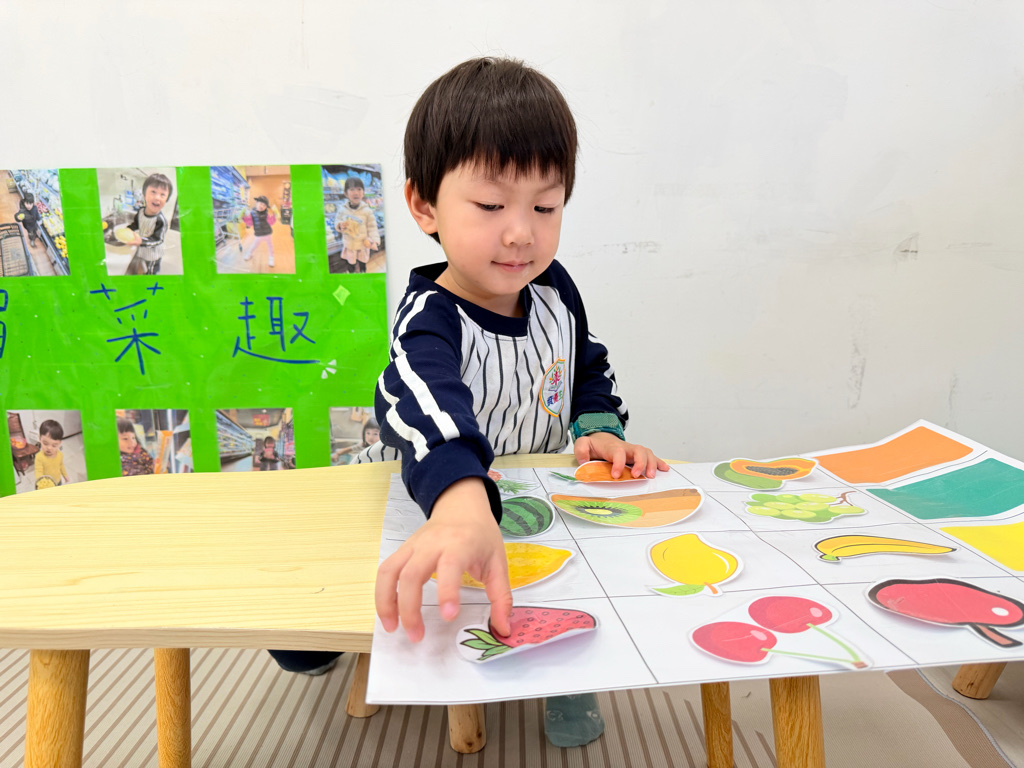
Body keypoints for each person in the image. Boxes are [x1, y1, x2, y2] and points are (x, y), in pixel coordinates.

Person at [273, 57, 669, 747]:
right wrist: (460, 500)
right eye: (490, 206)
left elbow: (585, 362)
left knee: (575, 568)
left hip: (527, 486)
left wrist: (598, 427)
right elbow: (424, 406)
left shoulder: (555, 289)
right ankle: (321, 640)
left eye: (545, 207)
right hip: (430, 482)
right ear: (424, 205)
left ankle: (567, 677)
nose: (521, 232)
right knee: (316, 610)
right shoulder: (429, 318)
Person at [126, 173, 172, 276]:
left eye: (162, 195)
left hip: (153, 255)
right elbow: (136, 224)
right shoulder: (141, 211)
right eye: (153, 192)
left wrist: (141, 241)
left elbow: (158, 239)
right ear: (144, 194)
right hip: (142, 249)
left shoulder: (161, 220)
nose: (157, 198)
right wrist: (128, 229)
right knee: (141, 267)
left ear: (166, 200)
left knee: (150, 272)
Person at [333, 177, 381, 273]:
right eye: (352, 189)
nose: (356, 193)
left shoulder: (367, 211)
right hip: (349, 245)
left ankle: (363, 272)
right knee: (350, 264)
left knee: (362, 263)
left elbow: (372, 227)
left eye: (359, 189)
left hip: (362, 244)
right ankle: (351, 272)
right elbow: (337, 221)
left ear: (363, 192)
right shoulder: (342, 210)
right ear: (346, 193)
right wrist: (339, 225)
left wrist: (374, 241)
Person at [243, 195, 276, 269]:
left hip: (267, 233)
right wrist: (244, 218)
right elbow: (250, 223)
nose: (262, 206)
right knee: (254, 245)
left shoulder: (266, 213)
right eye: (261, 203)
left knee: (270, 246)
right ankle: (249, 253)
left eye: (264, 205)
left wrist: (274, 216)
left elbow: (271, 222)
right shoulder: (252, 213)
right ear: (256, 203)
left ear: (266, 207)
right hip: (259, 234)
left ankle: (271, 258)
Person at [34, 419, 70, 488]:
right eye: (45, 443)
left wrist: (65, 475)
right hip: (47, 485)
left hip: (58, 481)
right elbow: (38, 471)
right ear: (39, 438)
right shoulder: (39, 457)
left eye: (54, 445)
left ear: (59, 443)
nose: (49, 448)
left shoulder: (60, 455)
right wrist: (41, 483)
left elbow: (61, 465)